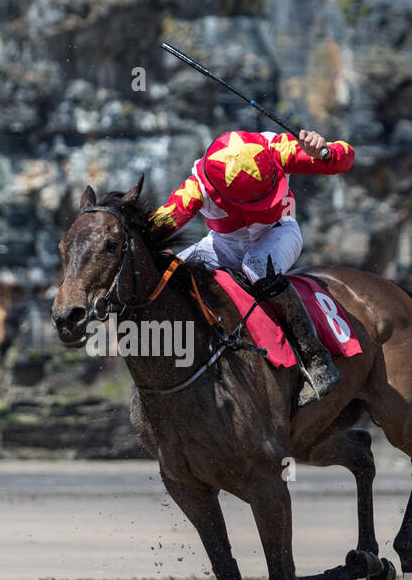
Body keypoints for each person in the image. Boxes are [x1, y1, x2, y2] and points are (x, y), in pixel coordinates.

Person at [148, 129, 355, 404]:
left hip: (279, 232)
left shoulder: (277, 149)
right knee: (170, 276)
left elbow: (344, 159)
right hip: (223, 245)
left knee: (256, 266)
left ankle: (316, 360)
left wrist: (323, 149)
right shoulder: (197, 186)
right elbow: (163, 221)